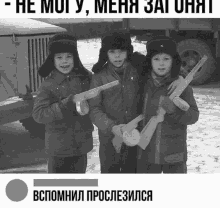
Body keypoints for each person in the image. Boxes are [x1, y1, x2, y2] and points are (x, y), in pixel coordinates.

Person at [88, 31, 181, 173]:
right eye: (112, 52)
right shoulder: (99, 77)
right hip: (110, 139)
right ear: (105, 53)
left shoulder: (139, 68)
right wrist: (112, 127)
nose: (117, 56)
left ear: (128, 51)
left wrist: (177, 77)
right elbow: (94, 109)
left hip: (135, 136)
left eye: (121, 51)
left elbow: (161, 69)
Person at [32, 33, 94, 173]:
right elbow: (38, 114)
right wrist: (65, 105)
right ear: (52, 60)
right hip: (58, 150)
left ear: (75, 58)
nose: (64, 61)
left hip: (81, 146)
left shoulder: (85, 78)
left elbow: (99, 95)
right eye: (59, 57)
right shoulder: (48, 85)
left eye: (68, 56)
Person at [137, 36, 199, 174]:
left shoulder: (182, 87)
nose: (161, 64)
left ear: (173, 61)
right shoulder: (143, 84)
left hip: (174, 157)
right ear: (150, 61)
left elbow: (193, 116)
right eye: (156, 59)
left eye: (166, 59)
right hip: (147, 154)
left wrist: (174, 111)